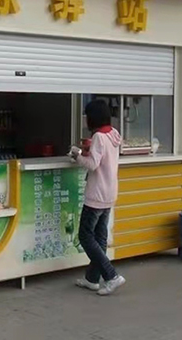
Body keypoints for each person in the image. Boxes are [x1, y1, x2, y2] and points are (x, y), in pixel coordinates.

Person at [69, 99, 126, 296]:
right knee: (100, 237)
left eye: (87, 115)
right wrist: (89, 149)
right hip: (109, 193)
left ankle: (111, 276)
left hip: (96, 195)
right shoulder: (113, 133)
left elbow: (93, 164)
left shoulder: (99, 137)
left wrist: (76, 155)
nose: (85, 119)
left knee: (85, 236)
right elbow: (103, 157)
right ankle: (92, 279)